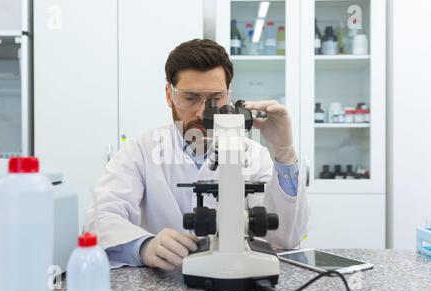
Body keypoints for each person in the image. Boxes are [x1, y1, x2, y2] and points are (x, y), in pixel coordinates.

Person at [86, 39, 309, 271]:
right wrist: (144, 247)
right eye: (190, 98)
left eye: (215, 99)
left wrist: (284, 152)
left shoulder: (255, 155)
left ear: (229, 95)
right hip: (164, 282)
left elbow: (286, 237)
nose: (203, 112)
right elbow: (100, 218)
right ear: (169, 95)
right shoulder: (140, 150)